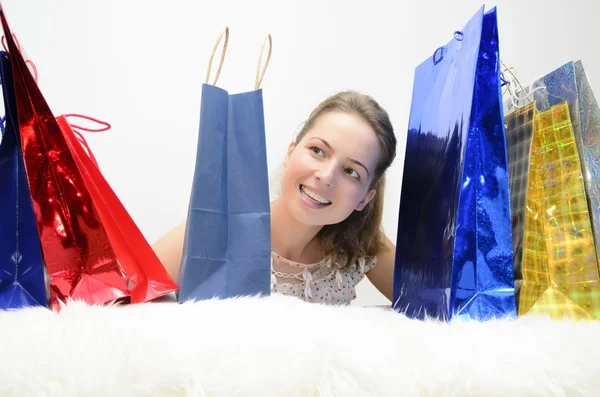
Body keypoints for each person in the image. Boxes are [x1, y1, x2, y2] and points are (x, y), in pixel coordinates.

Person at [152, 90, 397, 304]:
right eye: (317, 151)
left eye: (351, 172)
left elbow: (429, 314)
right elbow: (124, 301)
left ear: (365, 198)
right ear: (291, 151)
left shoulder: (362, 245)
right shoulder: (217, 233)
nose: (326, 176)